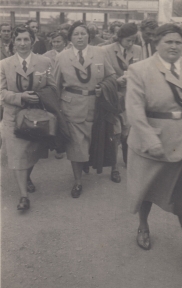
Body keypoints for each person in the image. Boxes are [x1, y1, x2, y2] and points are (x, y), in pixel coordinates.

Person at [126, 23, 182, 268]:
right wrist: (150, 139)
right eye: (168, 41)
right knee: (146, 191)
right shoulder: (139, 70)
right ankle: (143, 226)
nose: (174, 46)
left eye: (178, 42)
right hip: (154, 141)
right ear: (156, 43)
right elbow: (134, 111)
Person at [54, 20, 116, 198]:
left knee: (92, 141)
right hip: (71, 105)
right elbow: (55, 85)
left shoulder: (100, 53)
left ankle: (90, 166)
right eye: (76, 34)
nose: (80, 37)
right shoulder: (62, 57)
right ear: (70, 38)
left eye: (83, 33)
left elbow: (111, 75)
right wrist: (56, 111)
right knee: (76, 145)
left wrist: (103, 86)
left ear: (89, 35)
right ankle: (78, 181)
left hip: (96, 106)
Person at [0, 25, 57, 211]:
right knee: (17, 154)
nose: (22, 43)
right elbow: (1, 92)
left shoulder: (45, 62)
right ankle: (24, 196)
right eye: (19, 40)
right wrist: (20, 97)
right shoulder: (4, 64)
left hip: (36, 118)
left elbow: (52, 87)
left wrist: (41, 96)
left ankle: (27, 176)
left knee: (32, 152)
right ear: (13, 42)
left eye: (26, 39)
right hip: (12, 117)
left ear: (32, 41)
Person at [103, 23, 142, 169]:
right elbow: (102, 75)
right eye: (128, 40)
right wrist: (116, 80)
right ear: (120, 38)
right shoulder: (106, 50)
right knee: (116, 132)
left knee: (128, 131)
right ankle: (114, 166)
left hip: (131, 97)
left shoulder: (138, 50)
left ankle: (127, 158)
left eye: (133, 40)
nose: (131, 44)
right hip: (114, 98)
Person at [44, 30, 68, 159]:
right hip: (52, 89)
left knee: (63, 118)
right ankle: (54, 144)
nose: (56, 44)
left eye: (59, 41)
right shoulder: (46, 55)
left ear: (65, 42)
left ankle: (61, 146)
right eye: (54, 42)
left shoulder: (69, 54)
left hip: (64, 89)